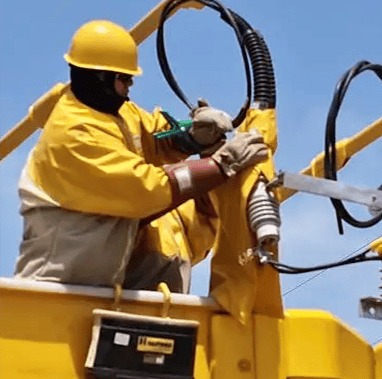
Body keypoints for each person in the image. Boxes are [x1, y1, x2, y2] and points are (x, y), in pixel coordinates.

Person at [14, 19, 268, 293]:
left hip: (102, 288)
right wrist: (221, 165)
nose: (130, 85)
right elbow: (145, 189)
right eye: (124, 79)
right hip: (55, 293)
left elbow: (153, 136)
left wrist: (190, 138)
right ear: (99, 77)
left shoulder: (116, 113)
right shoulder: (75, 134)